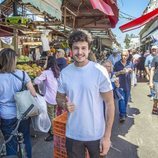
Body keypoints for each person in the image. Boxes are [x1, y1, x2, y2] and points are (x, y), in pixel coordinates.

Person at [56, 29, 115, 158]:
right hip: (72, 134)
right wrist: (64, 104)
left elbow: (110, 104)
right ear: (71, 50)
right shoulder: (65, 73)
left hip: (96, 134)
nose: (80, 52)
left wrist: (107, 136)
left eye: (84, 48)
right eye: (76, 48)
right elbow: (59, 97)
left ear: (89, 50)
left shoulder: (99, 71)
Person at [0, 48, 36, 158]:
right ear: (14, 60)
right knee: (25, 139)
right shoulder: (23, 74)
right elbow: (33, 94)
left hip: (6, 115)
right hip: (23, 113)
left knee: (10, 143)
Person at [34, 55, 60, 141]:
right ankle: (55, 131)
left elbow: (36, 81)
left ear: (48, 62)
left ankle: (52, 134)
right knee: (55, 116)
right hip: (57, 97)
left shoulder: (46, 72)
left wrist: (38, 76)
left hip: (49, 98)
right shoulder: (57, 71)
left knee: (51, 117)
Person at [114, 51, 133, 122]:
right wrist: (120, 72)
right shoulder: (117, 64)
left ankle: (123, 112)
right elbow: (113, 74)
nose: (123, 57)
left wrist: (130, 71)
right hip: (119, 85)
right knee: (121, 99)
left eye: (125, 55)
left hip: (127, 84)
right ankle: (122, 115)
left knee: (125, 100)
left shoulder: (130, 63)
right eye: (122, 55)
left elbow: (132, 72)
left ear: (128, 56)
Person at [149, 46, 158, 114]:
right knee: (156, 96)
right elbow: (152, 70)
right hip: (156, 80)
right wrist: (150, 81)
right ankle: (155, 107)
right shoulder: (155, 58)